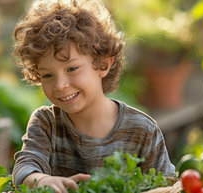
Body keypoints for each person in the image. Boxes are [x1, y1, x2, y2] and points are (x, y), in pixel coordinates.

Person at [11, 0, 176, 192]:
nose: (60, 85)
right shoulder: (46, 123)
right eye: (48, 75)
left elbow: (167, 186)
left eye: (72, 68)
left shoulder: (143, 131)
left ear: (103, 65)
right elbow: (24, 168)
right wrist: (41, 180)